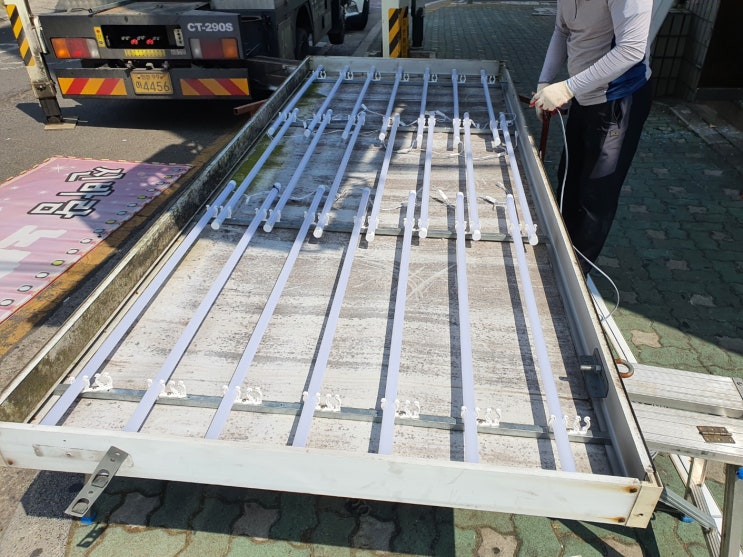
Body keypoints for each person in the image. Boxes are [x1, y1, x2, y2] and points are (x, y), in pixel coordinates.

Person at [530, 0, 654, 272]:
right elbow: (562, 30)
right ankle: (560, 253)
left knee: (595, 194)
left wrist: (567, 88)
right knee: (569, 178)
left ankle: (577, 273)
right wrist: (545, 82)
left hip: (617, 98)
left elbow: (631, 49)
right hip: (583, 94)